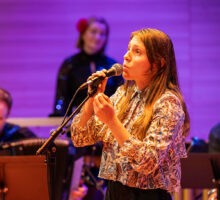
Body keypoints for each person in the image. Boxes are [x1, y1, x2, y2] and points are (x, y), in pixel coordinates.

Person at [71, 28, 190, 200]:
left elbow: (147, 162)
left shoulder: (168, 103)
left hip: (147, 196)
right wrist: (92, 97)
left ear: (157, 64)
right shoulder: (122, 95)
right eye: (128, 49)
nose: (126, 56)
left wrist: (112, 121)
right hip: (114, 192)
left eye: (137, 52)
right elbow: (79, 137)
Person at [50, 16, 124, 117]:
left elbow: (121, 97)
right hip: (79, 122)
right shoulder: (69, 64)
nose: (98, 37)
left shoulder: (112, 66)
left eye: (102, 34)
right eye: (93, 32)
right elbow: (62, 98)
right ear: (83, 34)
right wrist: (59, 118)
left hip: (107, 123)